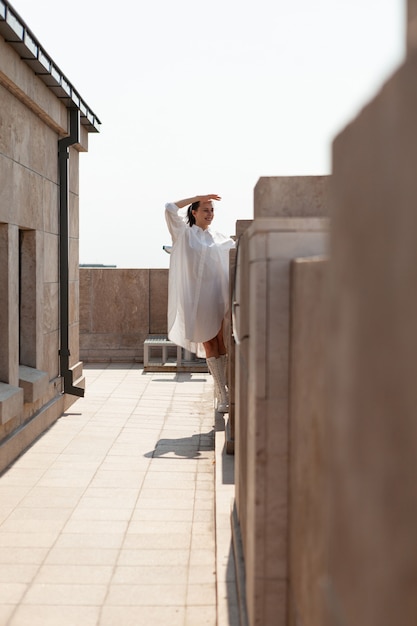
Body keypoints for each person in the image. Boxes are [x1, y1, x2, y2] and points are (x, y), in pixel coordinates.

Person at [165, 194, 235, 412]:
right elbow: (169, 208)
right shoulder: (185, 235)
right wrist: (199, 196)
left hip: (217, 296)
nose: (210, 213)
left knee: (221, 343)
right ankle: (223, 394)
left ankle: (223, 390)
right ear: (194, 212)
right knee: (208, 343)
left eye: (212, 210)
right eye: (205, 209)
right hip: (196, 300)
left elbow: (238, 250)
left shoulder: (219, 237)